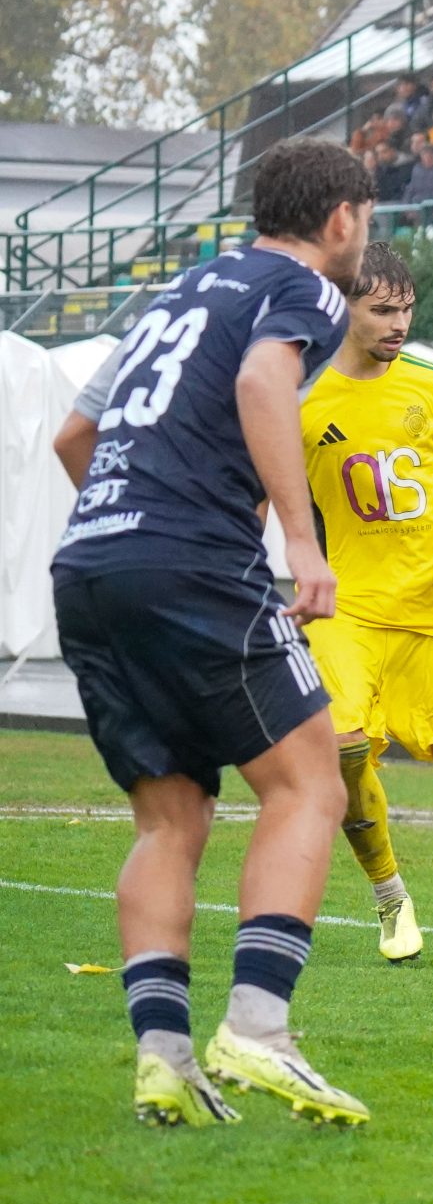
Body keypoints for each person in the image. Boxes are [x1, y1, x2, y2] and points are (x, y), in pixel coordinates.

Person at [49, 137, 373, 1128]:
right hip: (190, 563)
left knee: (170, 818)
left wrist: (134, 531)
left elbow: (74, 436)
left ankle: (163, 1059)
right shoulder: (307, 289)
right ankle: (259, 1028)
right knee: (309, 782)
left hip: (90, 562)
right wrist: (301, 545)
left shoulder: (177, 291)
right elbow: (262, 386)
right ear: (341, 219)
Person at [295, 241, 433, 972]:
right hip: (349, 610)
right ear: (344, 309)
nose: (399, 324)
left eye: (407, 309)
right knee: (345, 749)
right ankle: (390, 896)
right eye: (383, 310)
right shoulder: (303, 398)